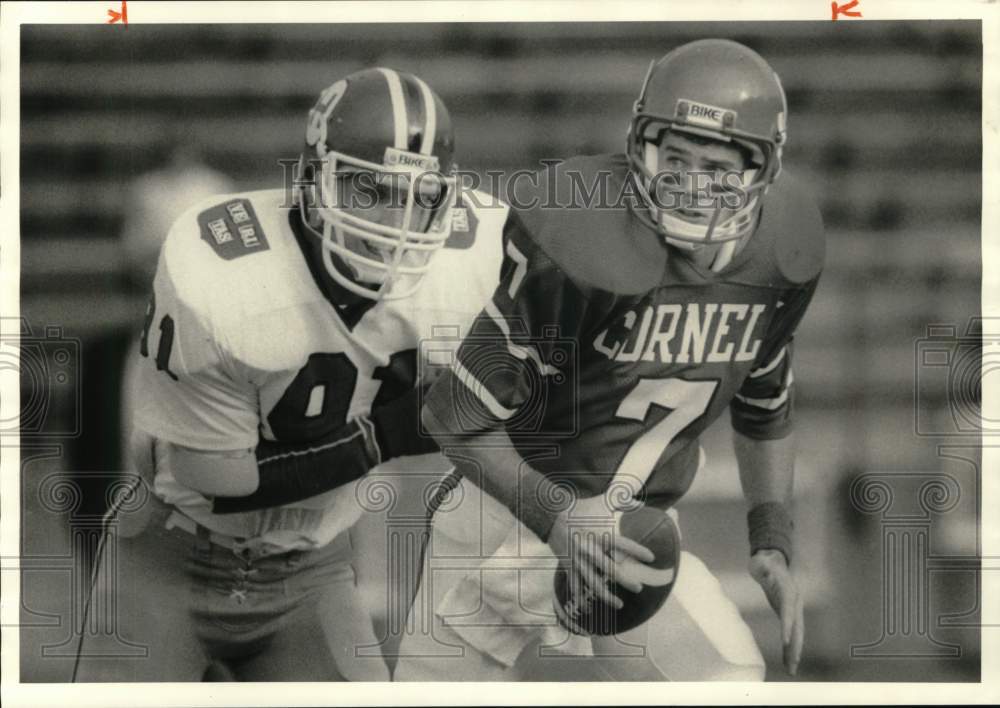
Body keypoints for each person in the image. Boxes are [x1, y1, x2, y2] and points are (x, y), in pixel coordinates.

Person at [393, 39, 824, 681]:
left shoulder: (783, 250)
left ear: (762, 172)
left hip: (631, 534)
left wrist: (771, 538)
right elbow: (456, 416)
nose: (691, 186)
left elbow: (765, 397)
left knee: (728, 680)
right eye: (675, 158)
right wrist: (557, 515)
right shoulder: (582, 235)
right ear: (642, 148)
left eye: (717, 167)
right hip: (502, 519)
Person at [73, 67, 505, 682]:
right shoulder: (223, 270)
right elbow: (214, 478)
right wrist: (384, 437)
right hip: (167, 559)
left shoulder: (473, 260)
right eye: (367, 188)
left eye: (418, 195)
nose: (394, 219)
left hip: (313, 573)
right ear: (311, 180)